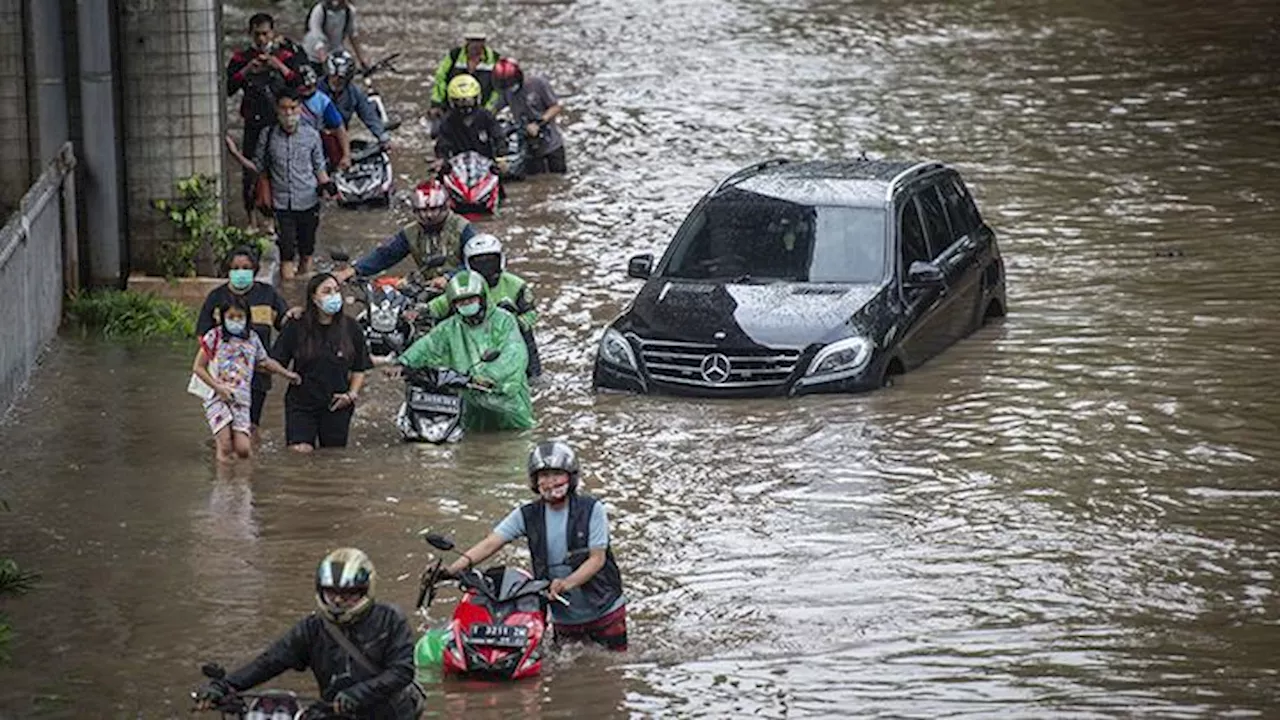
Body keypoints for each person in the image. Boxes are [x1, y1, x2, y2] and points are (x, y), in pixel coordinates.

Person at [442, 441, 627, 650]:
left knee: (613, 668)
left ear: (571, 476)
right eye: (544, 476)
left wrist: (566, 583)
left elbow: (597, 559)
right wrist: (451, 570)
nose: (550, 482)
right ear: (535, 481)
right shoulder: (527, 514)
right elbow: (491, 543)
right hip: (562, 615)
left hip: (604, 607)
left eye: (557, 474)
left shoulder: (592, 509)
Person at [195, 548, 421, 719]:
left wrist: (358, 694)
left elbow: (402, 671)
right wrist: (226, 685)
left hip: (392, 714)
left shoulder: (390, 619)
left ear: (365, 591)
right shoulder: (312, 627)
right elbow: (269, 661)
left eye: (349, 593)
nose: (339, 600)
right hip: (334, 711)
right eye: (331, 593)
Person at [389, 271, 533, 431]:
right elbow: (428, 345)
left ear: (483, 298)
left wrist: (488, 377)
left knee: (516, 444)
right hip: (469, 402)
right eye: (461, 302)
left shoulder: (504, 320)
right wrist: (403, 363)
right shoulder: (450, 327)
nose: (467, 305)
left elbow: (514, 354)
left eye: (471, 300)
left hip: (508, 405)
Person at [227, 88, 336, 280]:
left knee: (306, 252)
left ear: (300, 109)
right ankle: (289, 290)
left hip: (308, 202)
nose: (288, 114)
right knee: (286, 252)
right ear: (277, 110)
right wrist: (236, 154)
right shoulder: (268, 136)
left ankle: (304, 290)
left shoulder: (311, 136)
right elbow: (258, 167)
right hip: (281, 205)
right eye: (284, 108)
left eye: (293, 108)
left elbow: (319, 168)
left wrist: (328, 186)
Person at [192, 294, 301, 463]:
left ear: (247, 317)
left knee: (243, 449)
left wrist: (287, 374)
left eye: (240, 317)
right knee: (225, 445)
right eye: (231, 317)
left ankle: (245, 483)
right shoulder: (214, 337)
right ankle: (223, 486)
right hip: (217, 396)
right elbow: (198, 367)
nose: (236, 320)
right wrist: (218, 388)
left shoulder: (252, 338)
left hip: (241, 398)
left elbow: (264, 362)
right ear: (222, 318)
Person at [195, 246, 291, 437]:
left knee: (250, 427)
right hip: (222, 377)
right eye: (236, 268)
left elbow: (286, 328)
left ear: (254, 270)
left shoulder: (268, 295)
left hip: (257, 376)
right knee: (222, 429)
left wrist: (276, 362)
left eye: (246, 268)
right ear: (228, 271)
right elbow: (204, 336)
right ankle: (225, 463)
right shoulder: (217, 297)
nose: (241, 272)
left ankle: (248, 464)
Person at [271, 273, 371, 451]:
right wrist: (288, 375)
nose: (333, 295)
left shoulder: (351, 328)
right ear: (313, 297)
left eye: (336, 291)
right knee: (300, 452)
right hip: (301, 403)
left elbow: (359, 367)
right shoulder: (296, 326)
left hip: (337, 403)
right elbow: (276, 361)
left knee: (332, 457)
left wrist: (351, 394)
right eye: (326, 291)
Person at [426, 233, 540, 377]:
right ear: (468, 264)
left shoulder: (516, 285)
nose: (485, 266)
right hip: (468, 336)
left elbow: (531, 313)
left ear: (501, 260)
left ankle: (533, 375)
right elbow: (437, 307)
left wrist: (516, 323)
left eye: (490, 260)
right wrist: (418, 311)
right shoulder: (460, 286)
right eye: (479, 262)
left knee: (526, 334)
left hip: (508, 339)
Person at [226, 13, 302, 229]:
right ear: (250, 34)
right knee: (250, 171)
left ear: (273, 33)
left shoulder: (285, 56)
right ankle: (251, 219)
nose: (261, 39)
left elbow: (299, 84)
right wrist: (248, 70)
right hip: (253, 122)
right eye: (257, 34)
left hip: (278, 123)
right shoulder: (241, 59)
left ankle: (271, 219)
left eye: (265, 34)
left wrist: (278, 66)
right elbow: (228, 88)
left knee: (278, 170)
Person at [333, 180, 473, 289]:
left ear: (444, 207)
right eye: (422, 211)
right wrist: (354, 270)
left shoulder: (462, 227)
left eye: (433, 209)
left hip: (463, 289)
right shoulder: (411, 232)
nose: (428, 216)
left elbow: (479, 264)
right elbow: (386, 254)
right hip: (428, 287)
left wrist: (450, 277)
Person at [492, 58, 566, 175]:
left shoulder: (538, 83)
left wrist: (539, 122)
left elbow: (556, 107)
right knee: (534, 180)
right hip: (527, 146)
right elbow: (494, 109)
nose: (508, 88)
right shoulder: (506, 91)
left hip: (551, 144)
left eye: (509, 84)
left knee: (557, 177)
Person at [320, 50, 390, 148]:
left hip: (340, 139)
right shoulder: (317, 91)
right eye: (333, 76)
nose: (336, 80)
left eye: (340, 78)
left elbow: (368, 114)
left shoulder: (354, 92)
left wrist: (382, 136)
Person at [429, 25, 501, 116]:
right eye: (472, 40)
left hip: (481, 112)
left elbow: (498, 89)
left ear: (484, 41)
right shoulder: (454, 56)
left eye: (479, 41)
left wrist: (488, 109)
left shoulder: (494, 59)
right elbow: (441, 79)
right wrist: (436, 104)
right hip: (451, 110)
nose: (475, 44)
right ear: (467, 41)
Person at [434, 74, 503, 163]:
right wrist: (442, 160)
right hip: (458, 167)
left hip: (485, 165)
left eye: (469, 101)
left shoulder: (486, 116)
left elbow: (498, 136)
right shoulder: (448, 120)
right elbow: (442, 144)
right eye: (460, 102)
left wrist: (501, 155)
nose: (465, 106)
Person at [296, 64, 352, 171]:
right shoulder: (290, 100)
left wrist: (346, 156)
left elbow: (339, 127)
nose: (307, 91)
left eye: (310, 87)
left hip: (318, 144)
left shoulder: (322, 101)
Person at [302, 0, 370, 73]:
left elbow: (352, 35)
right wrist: (325, 61)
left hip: (335, 53)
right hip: (313, 56)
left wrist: (362, 60)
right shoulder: (319, 10)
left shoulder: (349, 12)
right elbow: (317, 37)